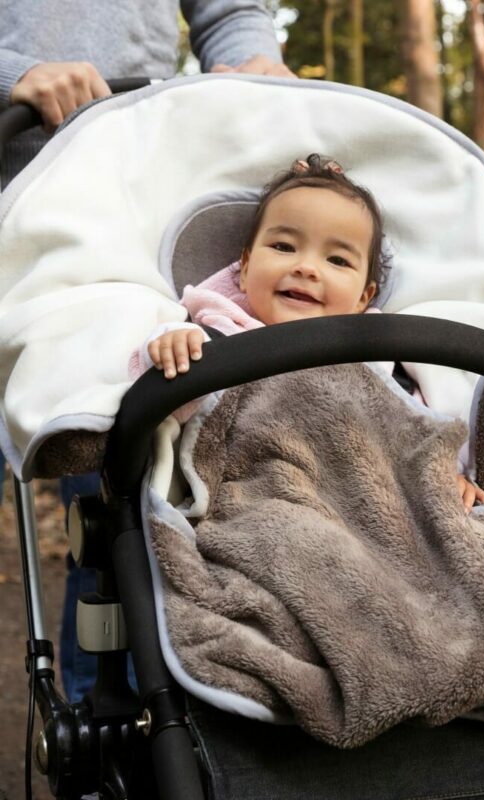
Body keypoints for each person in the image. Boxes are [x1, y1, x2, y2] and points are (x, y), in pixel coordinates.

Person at [0, 0, 292, 703]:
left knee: (119, 501)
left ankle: (111, 734)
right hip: (15, 166)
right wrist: (13, 73)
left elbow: (229, 13)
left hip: (113, 197)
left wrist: (258, 62)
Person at [141, 154, 484, 512]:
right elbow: (161, 406)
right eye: (283, 247)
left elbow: (413, 430)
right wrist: (172, 347)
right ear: (244, 270)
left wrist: (444, 473)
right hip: (258, 502)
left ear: (363, 298)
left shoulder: (378, 358)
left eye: (337, 260)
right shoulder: (217, 336)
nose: (306, 267)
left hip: (370, 506)